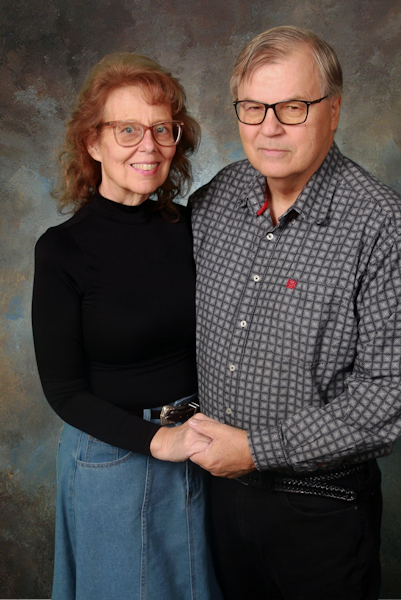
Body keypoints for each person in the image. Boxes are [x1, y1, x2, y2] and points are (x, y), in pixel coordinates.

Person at [188, 26, 401, 600]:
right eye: (254, 107)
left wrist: (256, 451)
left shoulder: (382, 228)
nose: (269, 127)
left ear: (334, 111)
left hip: (320, 510)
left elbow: (388, 394)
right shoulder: (216, 200)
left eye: (293, 107)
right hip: (214, 498)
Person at [32, 52, 221, 600]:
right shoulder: (62, 250)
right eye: (128, 130)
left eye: (162, 129)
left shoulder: (193, 228)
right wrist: (159, 441)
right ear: (92, 143)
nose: (149, 145)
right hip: (114, 458)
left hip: (203, 449)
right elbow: (64, 391)